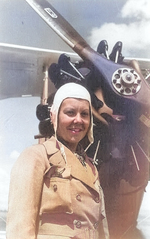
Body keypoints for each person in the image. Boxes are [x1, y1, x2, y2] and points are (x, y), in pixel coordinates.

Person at [6, 82, 109, 239]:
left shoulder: (91, 166)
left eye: (84, 114)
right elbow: (20, 229)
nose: (78, 120)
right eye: (70, 112)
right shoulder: (37, 156)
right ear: (54, 116)